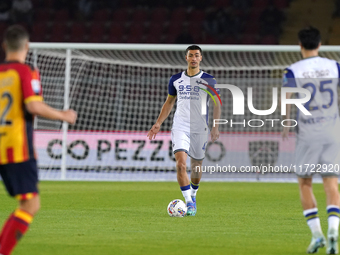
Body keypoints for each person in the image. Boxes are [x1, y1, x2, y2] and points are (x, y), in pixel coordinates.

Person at [0, 25, 77, 255]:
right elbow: (32, 106)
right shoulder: (25, 71)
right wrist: (63, 115)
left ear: (4, 46)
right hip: (16, 146)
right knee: (30, 205)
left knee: (27, 204)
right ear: (27, 46)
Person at [282, 26, 340, 254]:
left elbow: (286, 100)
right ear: (320, 44)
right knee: (331, 183)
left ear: (300, 45)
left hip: (307, 132)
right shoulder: (334, 66)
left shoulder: (293, 70)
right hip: (332, 131)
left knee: (305, 183)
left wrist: (287, 123)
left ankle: (317, 235)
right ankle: (334, 229)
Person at [147, 45, 221, 216]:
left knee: (196, 167)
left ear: (201, 58)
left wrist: (215, 126)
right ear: (186, 58)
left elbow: (216, 104)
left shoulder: (209, 80)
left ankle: (193, 194)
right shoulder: (175, 79)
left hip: (200, 127)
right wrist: (158, 123)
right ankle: (189, 203)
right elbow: (169, 102)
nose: (193, 58)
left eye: (196, 55)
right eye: (191, 55)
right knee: (181, 165)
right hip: (180, 126)